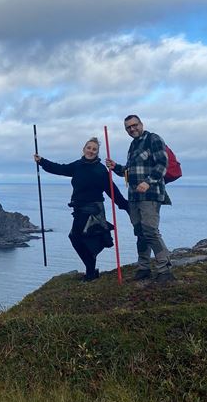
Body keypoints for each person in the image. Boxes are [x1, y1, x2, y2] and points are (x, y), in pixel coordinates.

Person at [34, 137, 129, 282]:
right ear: (84, 149)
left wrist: (124, 205)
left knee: (76, 237)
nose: (91, 151)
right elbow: (60, 168)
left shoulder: (100, 170)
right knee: (81, 238)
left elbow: (112, 191)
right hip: (79, 209)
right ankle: (91, 270)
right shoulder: (77, 165)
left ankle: (90, 272)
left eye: (94, 149)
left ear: (97, 152)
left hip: (93, 210)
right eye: (89, 148)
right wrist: (42, 161)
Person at [105, 115, 175, 283]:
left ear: (141, 124)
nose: (132, 129)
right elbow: (128, 171)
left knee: (150, 231)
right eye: (128, 127)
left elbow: (162, 163)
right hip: (134, 197)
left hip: (150, 195)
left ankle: (164, 269)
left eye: (134, 125)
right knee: (140, 232)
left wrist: (148, 182)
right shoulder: (133, 145)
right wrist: (116, 167)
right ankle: (143, 267)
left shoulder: (153, 138)